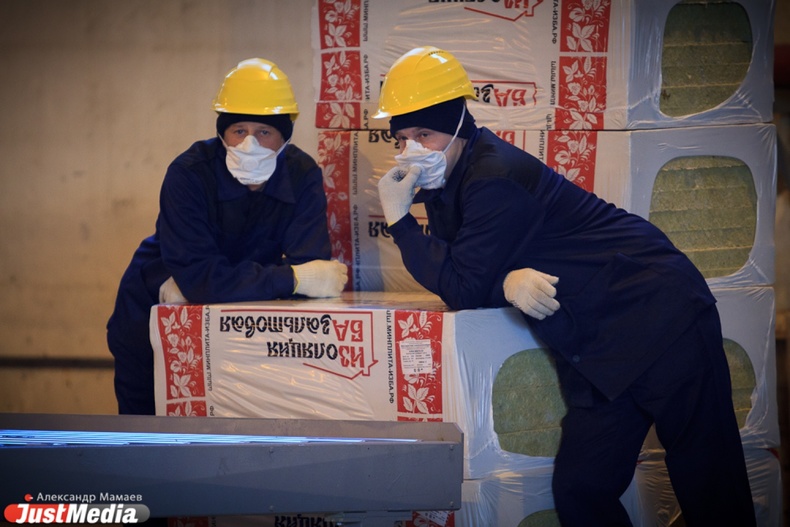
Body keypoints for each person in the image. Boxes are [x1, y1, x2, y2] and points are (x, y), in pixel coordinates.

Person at [375, 46, 755, 526]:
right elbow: (469, 274)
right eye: (402, 138)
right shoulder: (449, 180)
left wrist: (401, 224)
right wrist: (503, 281)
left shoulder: (493, 176)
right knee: (582, 487)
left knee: (708, 479)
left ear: (457, 126)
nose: (412, 150)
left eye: (424, 135)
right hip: (596, 337)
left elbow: (464, 286)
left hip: (658, 309)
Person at [107, 58, 347, 415]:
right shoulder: (189, 174)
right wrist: (292, 278)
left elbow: (312, 270)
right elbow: (201, 277)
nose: (249, 144)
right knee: (152, 426)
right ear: (222, 133)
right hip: (154, 315)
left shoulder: (301, 174)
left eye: (264, 132)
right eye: (238, 131)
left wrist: (289, 280)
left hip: (247, 325)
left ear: (284, 137)